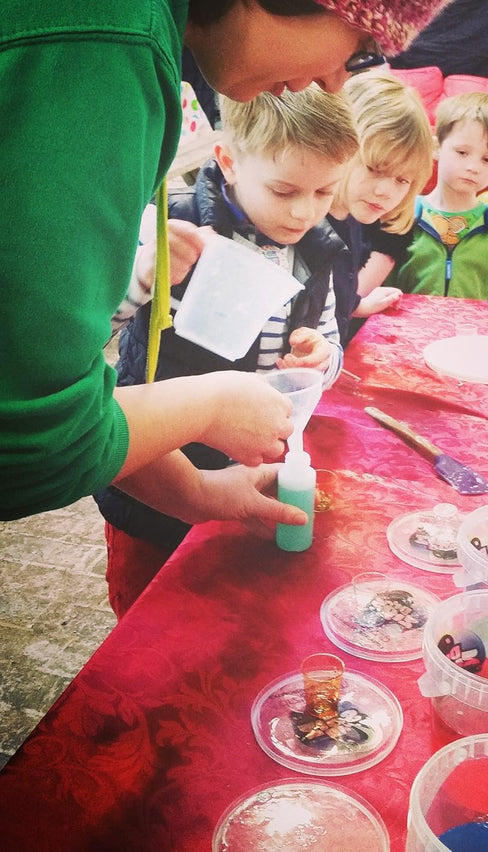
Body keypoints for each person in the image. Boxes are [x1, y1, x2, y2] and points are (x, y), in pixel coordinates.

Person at [1, 0, 474, 526]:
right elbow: (32, 443)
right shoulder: (106, 26)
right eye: (360, 49)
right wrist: (208, 406)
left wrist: (193, 492)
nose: (333, 81)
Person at [95, 85, 357, 617]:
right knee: (150, 610)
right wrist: (145, 277)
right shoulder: (169, 225)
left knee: (231, 605)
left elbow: (329, 337)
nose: (305, 211)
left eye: (324, 193)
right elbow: (94, 330)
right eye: (284, 191)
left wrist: (320, 357)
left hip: (256, 462)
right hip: (156, 464)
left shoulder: (316, 250)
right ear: (230, 161)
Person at [326, 71, 435, 345]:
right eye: (374, 168)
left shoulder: (351, 220)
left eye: (401, 179)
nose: (385, 191)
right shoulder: (305, 220)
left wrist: (354, 304)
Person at [389, 92, 488, 298]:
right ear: (437, 148)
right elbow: (382, 292)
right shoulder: (403, 216)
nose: (473, 167)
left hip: (475, 330)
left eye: (487, 159)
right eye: (462, 153)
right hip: (410, 328)